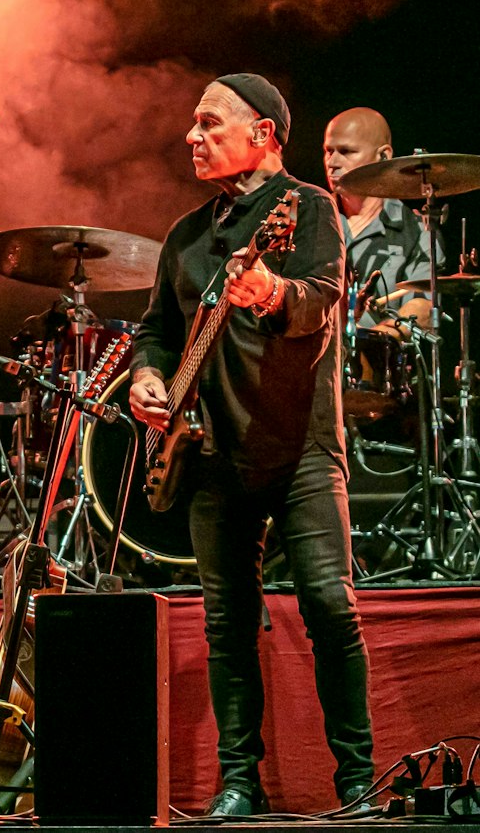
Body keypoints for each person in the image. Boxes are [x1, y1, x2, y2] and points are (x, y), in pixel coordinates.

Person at [130, 75, 374, 816]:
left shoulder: (307, 209)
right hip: (212, 455)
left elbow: (319, 303)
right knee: (227, 624)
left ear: (262, 134)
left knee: (329, 604)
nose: (192, 136)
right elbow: (155, 331)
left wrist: (271, 293)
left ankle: (357, 779)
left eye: (209, 123)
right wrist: (147, 377)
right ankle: (240, 781)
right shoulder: (185, 235)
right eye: (194, 124)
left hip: (301, 446)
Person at [323, 106, 435, 333]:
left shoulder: (417, 232)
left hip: (379, 352)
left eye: (346, 151)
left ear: (383, 156)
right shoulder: (312, 220)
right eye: (328, 151)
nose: (332, 162)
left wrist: (380, 338)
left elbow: (423, 307)